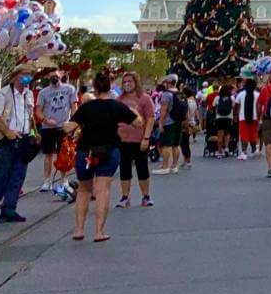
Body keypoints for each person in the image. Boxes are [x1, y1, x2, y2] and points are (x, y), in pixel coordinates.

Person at [64, 70, 135, 243]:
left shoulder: (86, 107)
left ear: (95, 88)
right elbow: (138, 122)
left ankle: (79, 230)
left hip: (86, 151)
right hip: (109, 150)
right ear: (110, 87)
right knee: (102, 189)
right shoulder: (117, 106)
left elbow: (68, 128)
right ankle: (99, 231)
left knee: (84, 189)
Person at [0, 63, 36, 225]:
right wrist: (7, 131)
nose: (28, 77)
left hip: (23, 139)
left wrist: (33, 133)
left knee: (18, 176)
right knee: (0, 178)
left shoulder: (28, 95)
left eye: (30, 74)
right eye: (25, 74)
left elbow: (28, 116)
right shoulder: (3, 95)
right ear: (16, 76)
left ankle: (9, 209)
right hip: (5, 142)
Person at [116, 72, 155, 208]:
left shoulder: (144, 98)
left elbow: (150, 119)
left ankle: (146, 196)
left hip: (139, 139)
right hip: (123, 140)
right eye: (125, 82)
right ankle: (125, 196)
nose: (127, 84)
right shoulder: (119, 100)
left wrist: (146, 137)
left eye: (129, 81)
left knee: (142, 168)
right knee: (124, 169)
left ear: (136, 83)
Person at [36, 70, 77, 193]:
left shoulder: (70, 89)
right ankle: (47, 180)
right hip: (48, 127)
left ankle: (64, 180)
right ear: (48, 76)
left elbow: (74, 107)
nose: (54, 77)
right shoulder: (43, 93)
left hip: (64, 127)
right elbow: (38, 110)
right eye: (51, 75)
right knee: (48, 154)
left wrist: (73, 124)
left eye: (56, 74)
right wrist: (46, 120)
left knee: (63, 154)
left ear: (62, 74)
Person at [154, 76, 184, 174]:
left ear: (168, 82)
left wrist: (160, 123)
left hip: (169, 122)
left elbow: (163, 110)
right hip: (178, 121)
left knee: (165, 145)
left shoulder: (166, 94)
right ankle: (174, 166)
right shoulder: (180, 93)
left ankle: (165, 166)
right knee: (176, 145)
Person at [235, 76, 261, 159]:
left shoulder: (241, 94)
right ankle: (254, 150)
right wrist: (259, 117)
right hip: (254, 117)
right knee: (253, 135)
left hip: (243, 117)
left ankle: (244, 152)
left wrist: (235, 115)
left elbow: (237, 106)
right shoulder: (257, 94)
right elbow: (259, 108)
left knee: (244, 135)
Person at [212, 83, 235, 157]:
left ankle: (219, 151)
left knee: (220, 135)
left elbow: (213, 106)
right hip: (228, 118)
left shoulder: (217, 98)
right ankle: (227, 148)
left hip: (219, 118)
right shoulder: (231, 98)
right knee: (227, 133)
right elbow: (233, 107)